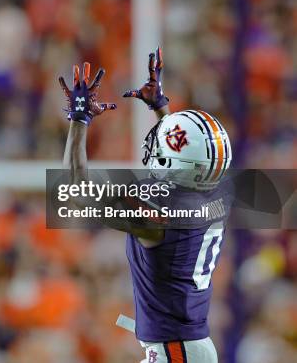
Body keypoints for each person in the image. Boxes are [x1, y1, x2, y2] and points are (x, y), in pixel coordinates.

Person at [59, 48, 232, 363]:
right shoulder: (216, 190)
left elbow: (75, 188)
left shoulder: (157, 215)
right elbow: (189, 164)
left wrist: (79, 117)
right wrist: (162, 110)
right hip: (187, 346)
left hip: (176, 351)